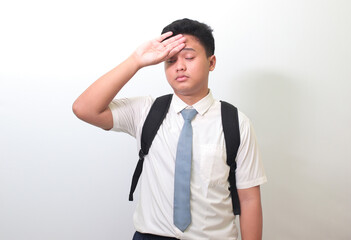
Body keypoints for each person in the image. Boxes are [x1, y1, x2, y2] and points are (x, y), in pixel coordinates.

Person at [73, 18, 267, 240]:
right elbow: (84, 108)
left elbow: (250, 199)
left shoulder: (235, 122)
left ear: (211, 62)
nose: (180, 66)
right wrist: (136, 60)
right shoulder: (147, 111)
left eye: (189, 57)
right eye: (171, 61)